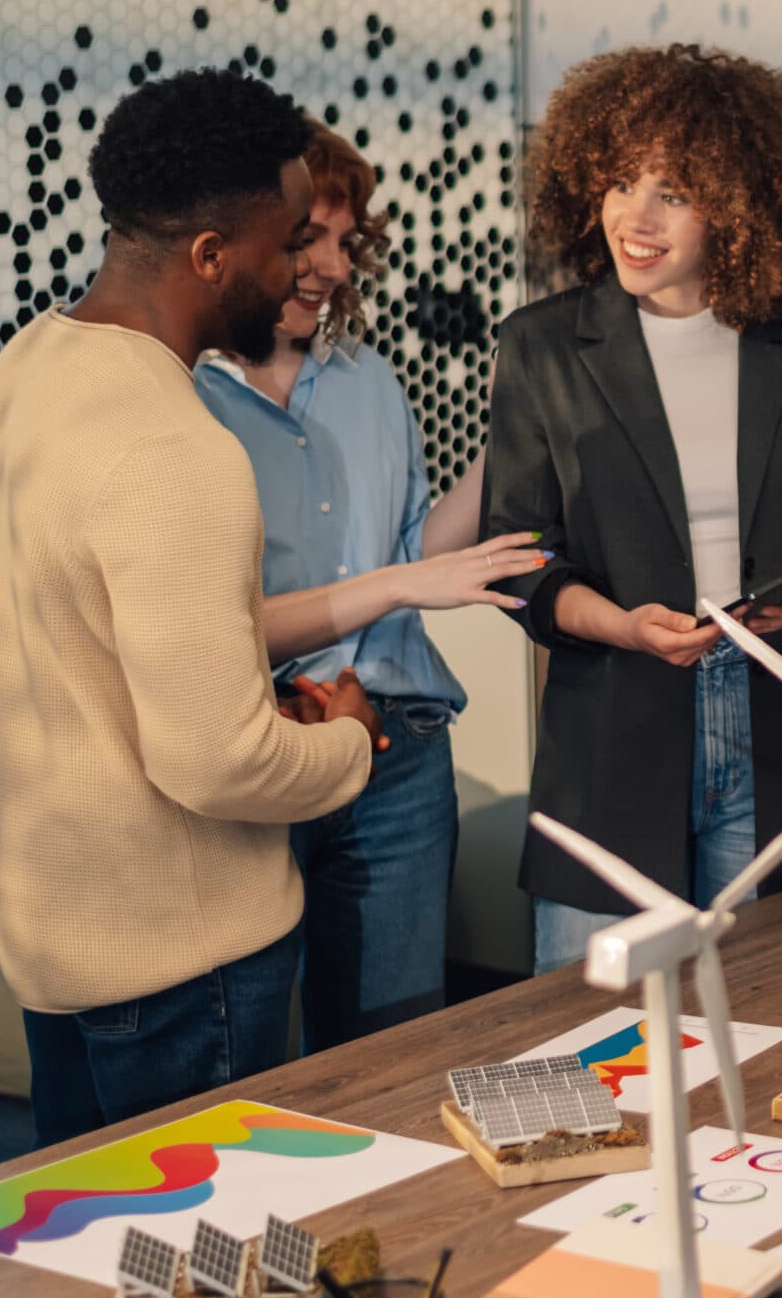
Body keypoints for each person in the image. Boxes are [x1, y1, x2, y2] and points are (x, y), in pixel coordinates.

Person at [0, 68, 380, 1145]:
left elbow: (84, 663)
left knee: (98, 1289)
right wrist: (352, 743)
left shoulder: (13, 383)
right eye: (284, 243)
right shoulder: (177, 448)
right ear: (209, 255)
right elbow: (216, 765)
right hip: (186, 970)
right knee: (216, 1295)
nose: (296, 274)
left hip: (54, 944)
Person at [485, 42, 782, 970]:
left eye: (673, 191)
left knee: (781, 1029)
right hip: (614, 740)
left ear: (740, 205)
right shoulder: (542, 348)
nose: (636, 218)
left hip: (781, 733)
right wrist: (627, 628)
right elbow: (520, 565)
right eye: (621, 183)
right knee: (595, 1062)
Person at [196, 119, 543, 1051]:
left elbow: (410, 554)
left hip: (399, 753)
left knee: (394, 1050)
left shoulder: (370, 382)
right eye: (308, 239)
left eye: (344, 242)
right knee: (253, 1058)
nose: (332, 266)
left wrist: (508, 436)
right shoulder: (181, 399)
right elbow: (202, 623)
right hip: (263, 750)